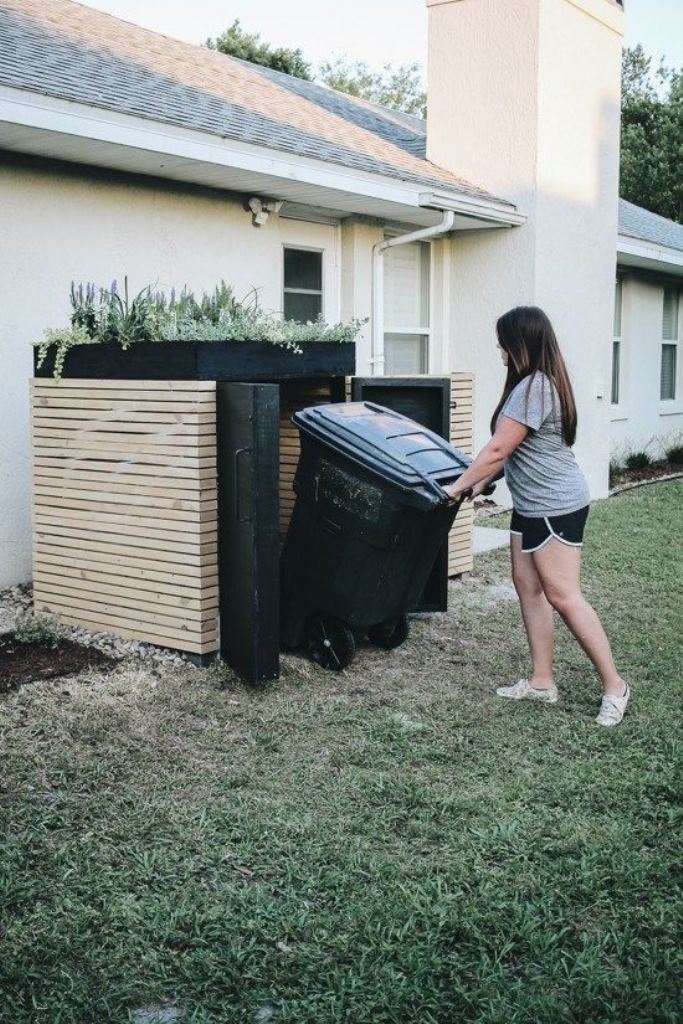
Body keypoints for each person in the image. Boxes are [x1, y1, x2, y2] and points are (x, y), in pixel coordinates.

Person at [444, 306, 630, 727]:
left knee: (563, 595)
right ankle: (543, 682)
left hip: (555, 504)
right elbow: (514, 452)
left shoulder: (535, 387)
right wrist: (478, 484)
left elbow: (496, 449)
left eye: (503, 341)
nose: (499, 348)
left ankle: (616, 686)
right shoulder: (534, 384)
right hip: (531, 504)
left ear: (520, 342)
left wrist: (455, 486)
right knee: (528, 589)